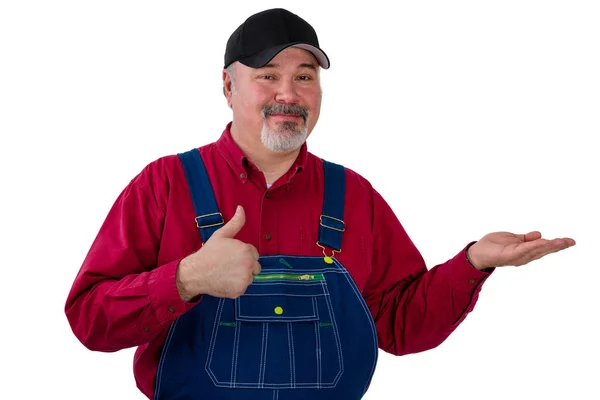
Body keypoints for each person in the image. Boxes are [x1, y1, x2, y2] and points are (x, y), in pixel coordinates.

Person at [64, 8, 576, 400]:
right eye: (267, 74)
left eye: (305, 76)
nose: (288, 93)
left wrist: (473, 263)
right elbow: (88, 319)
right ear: (228, 85)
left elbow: (398, 325)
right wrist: (186, 279)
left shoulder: (353, 195)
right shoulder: (163, 185)